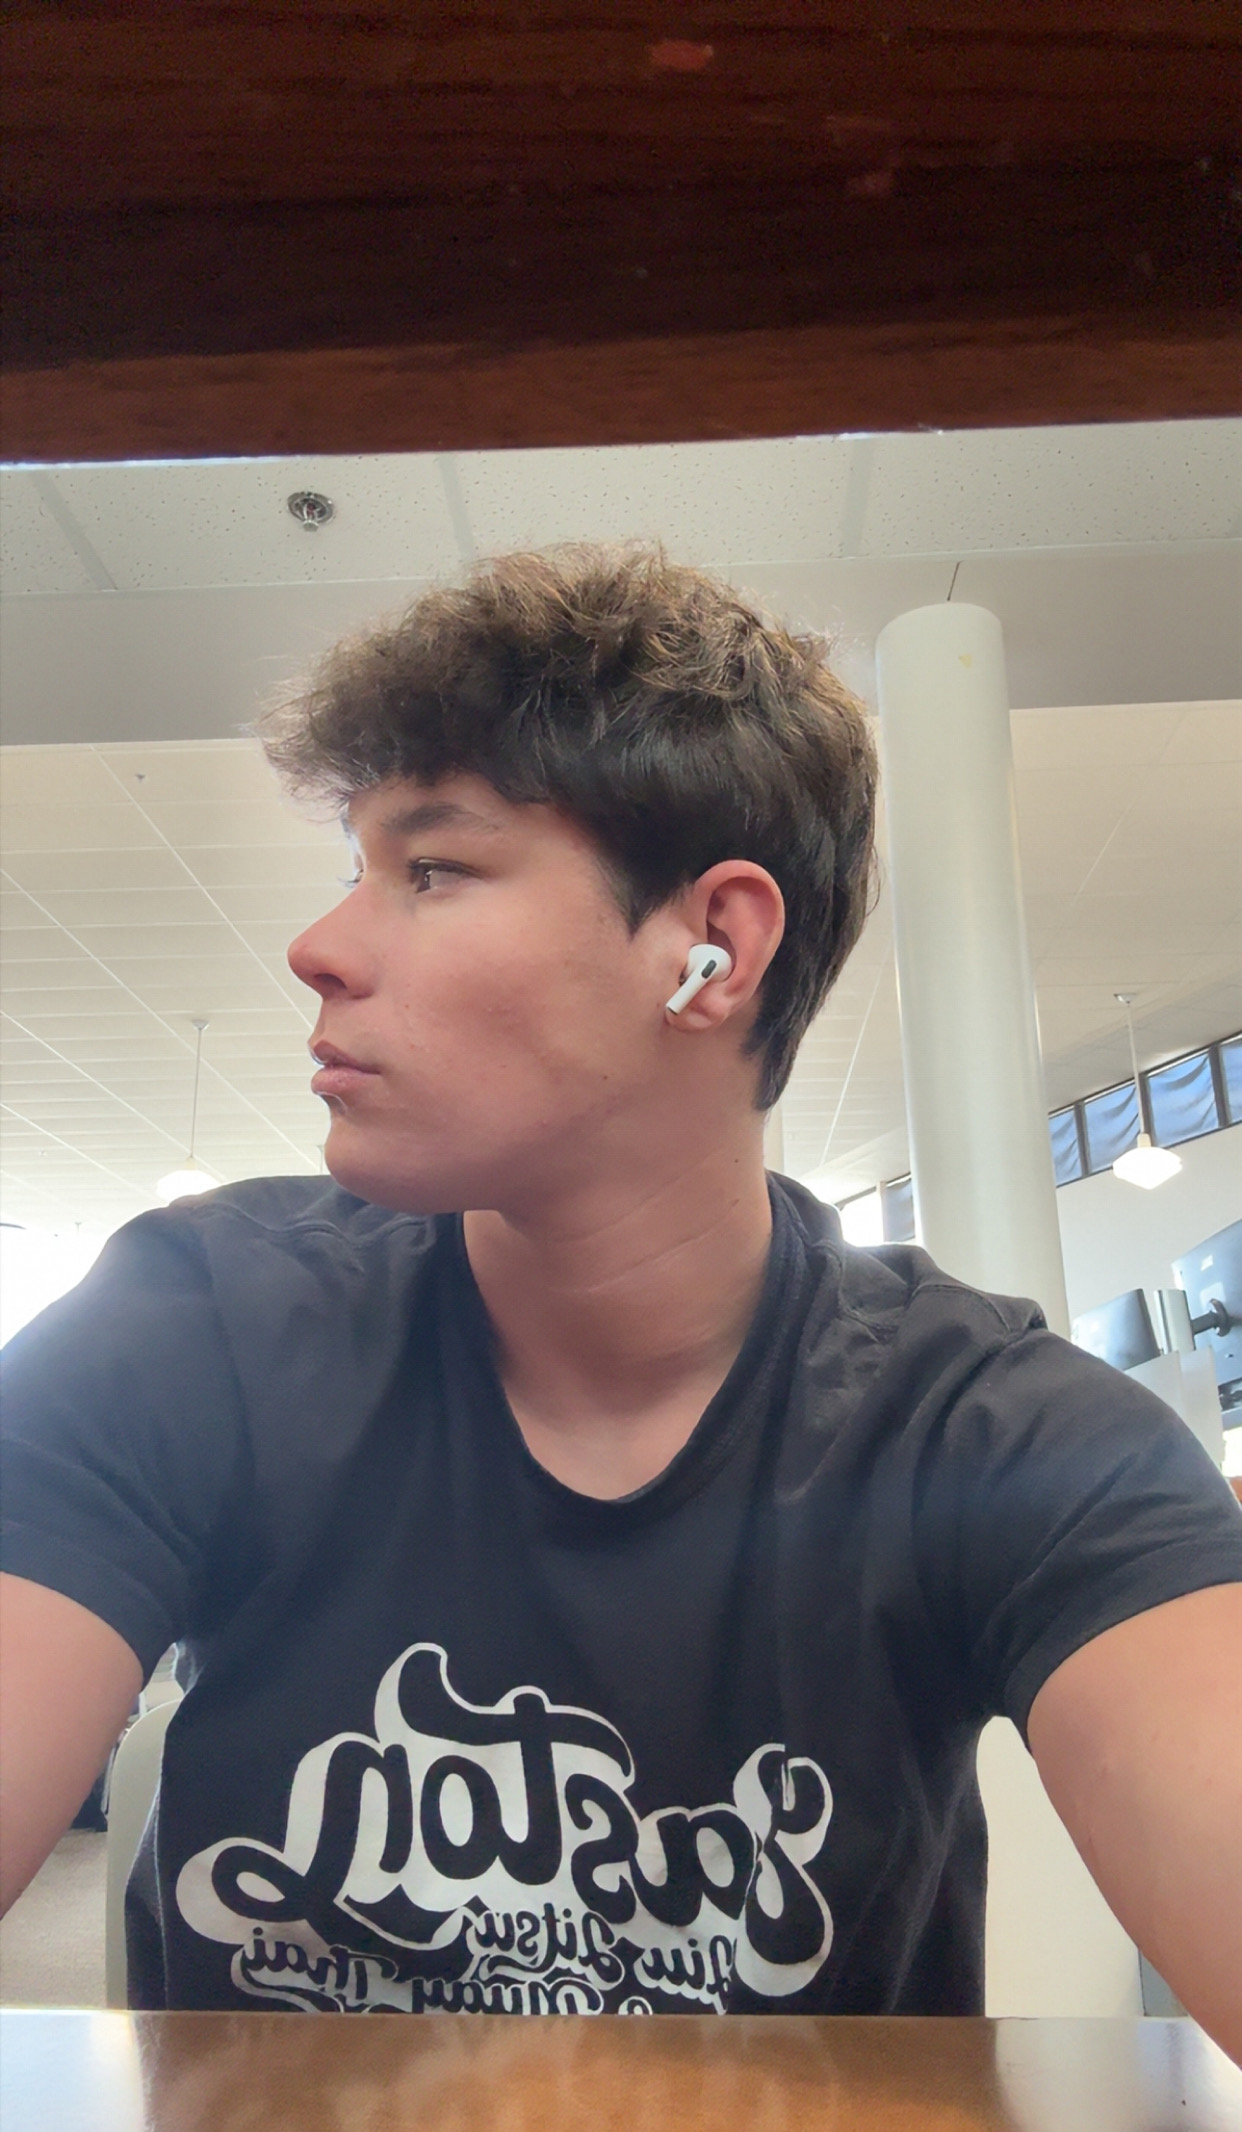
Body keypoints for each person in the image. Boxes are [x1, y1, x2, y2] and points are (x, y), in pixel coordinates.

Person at [2, 548, 1240, 2051]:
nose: (319, 949)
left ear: (711, 951)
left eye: (432, 870)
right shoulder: (193, 1327)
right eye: (356, 868)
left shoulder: (989, 1431)